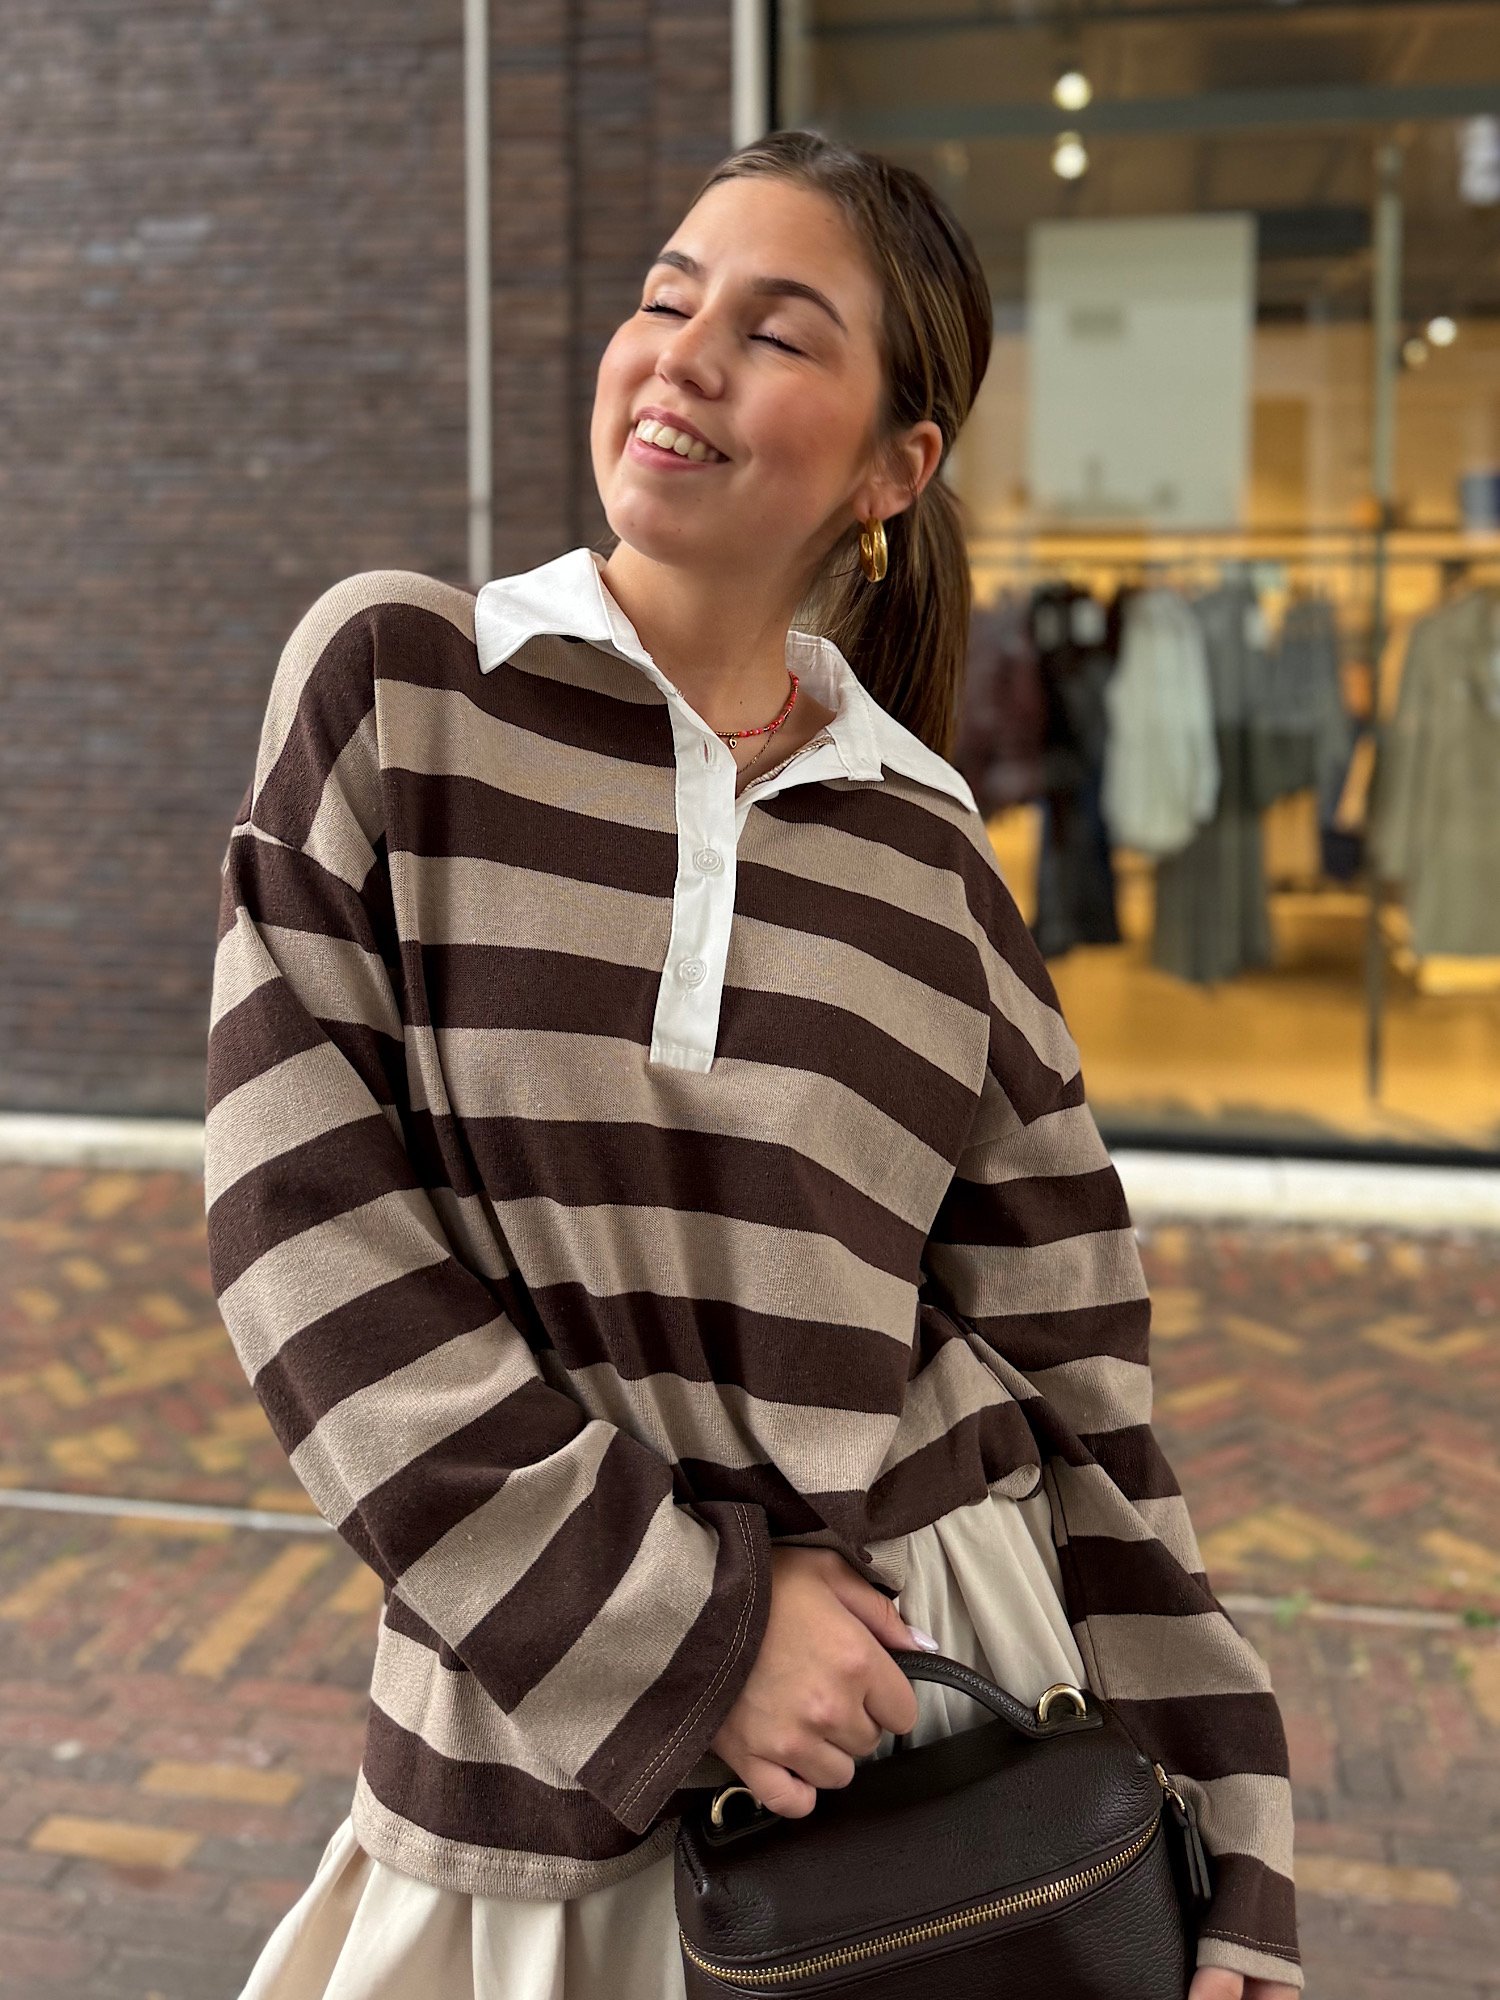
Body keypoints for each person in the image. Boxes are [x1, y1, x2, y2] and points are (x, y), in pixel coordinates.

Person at [205, 129, 1302, 2000]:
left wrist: (1235, 1841)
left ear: (893, 468)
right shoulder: (400, 686)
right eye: (667, 297)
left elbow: (1083, 1388)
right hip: (535, 1756)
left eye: (779, 333)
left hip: (927, 1737)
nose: (686, 356)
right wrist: (696, 1635)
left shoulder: (931, 855)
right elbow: (297, 1228)